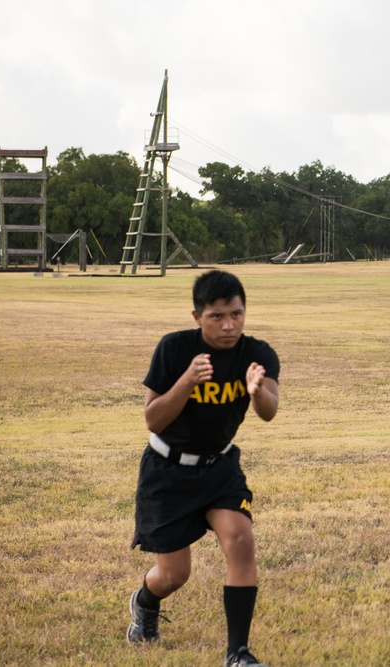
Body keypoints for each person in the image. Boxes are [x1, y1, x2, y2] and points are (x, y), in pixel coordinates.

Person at [127, 270, 280, 667]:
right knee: (174, 574)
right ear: (197, 316)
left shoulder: (257, 355)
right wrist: (187, 382)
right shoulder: (174, 349)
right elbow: (153, 419)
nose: (229, 325)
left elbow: (269, 412)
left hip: (219, 469)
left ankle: (238, 653)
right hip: (167, 472)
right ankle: (145, 603)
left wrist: (257, 390)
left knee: (241, 541)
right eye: (217, 316)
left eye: (236, 314)